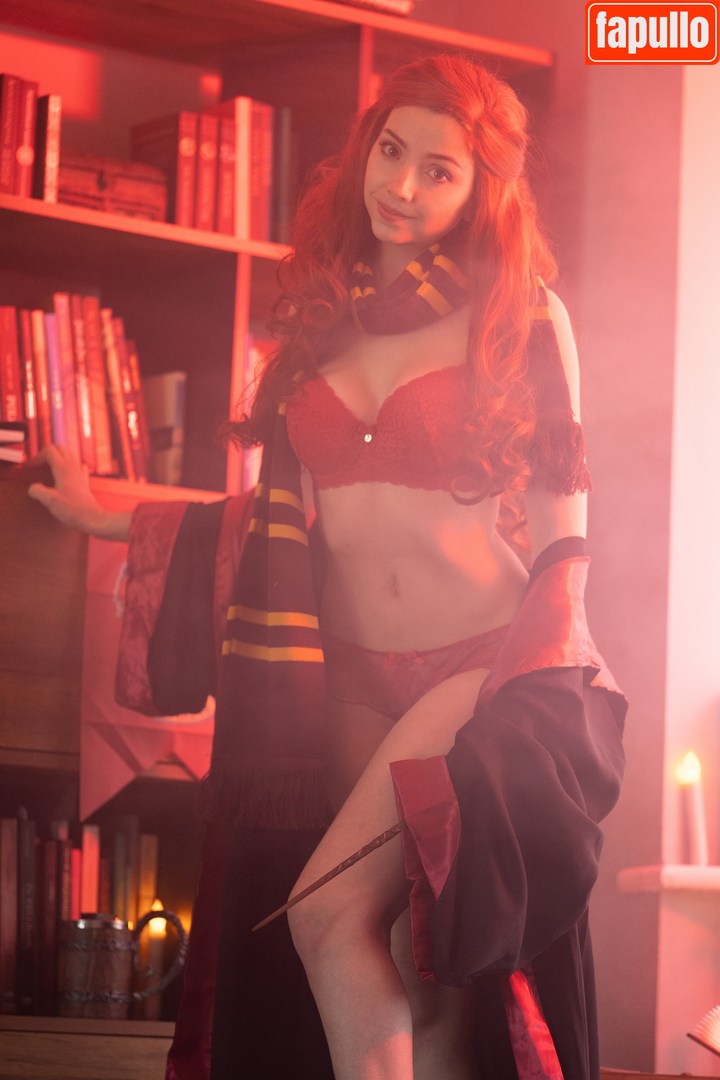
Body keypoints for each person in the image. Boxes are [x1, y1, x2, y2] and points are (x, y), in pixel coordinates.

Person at [30, 54, 626, 1080]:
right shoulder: (319, 315)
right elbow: (269, 522)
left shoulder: (522, 315)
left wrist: (542, 693)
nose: (402, 186)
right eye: (391, 152)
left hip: (471, 666)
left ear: (483, 189)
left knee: (325, 915)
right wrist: (108, 518)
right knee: (408, 964)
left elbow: (564, 533)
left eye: (439, 170)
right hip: (342, 676)